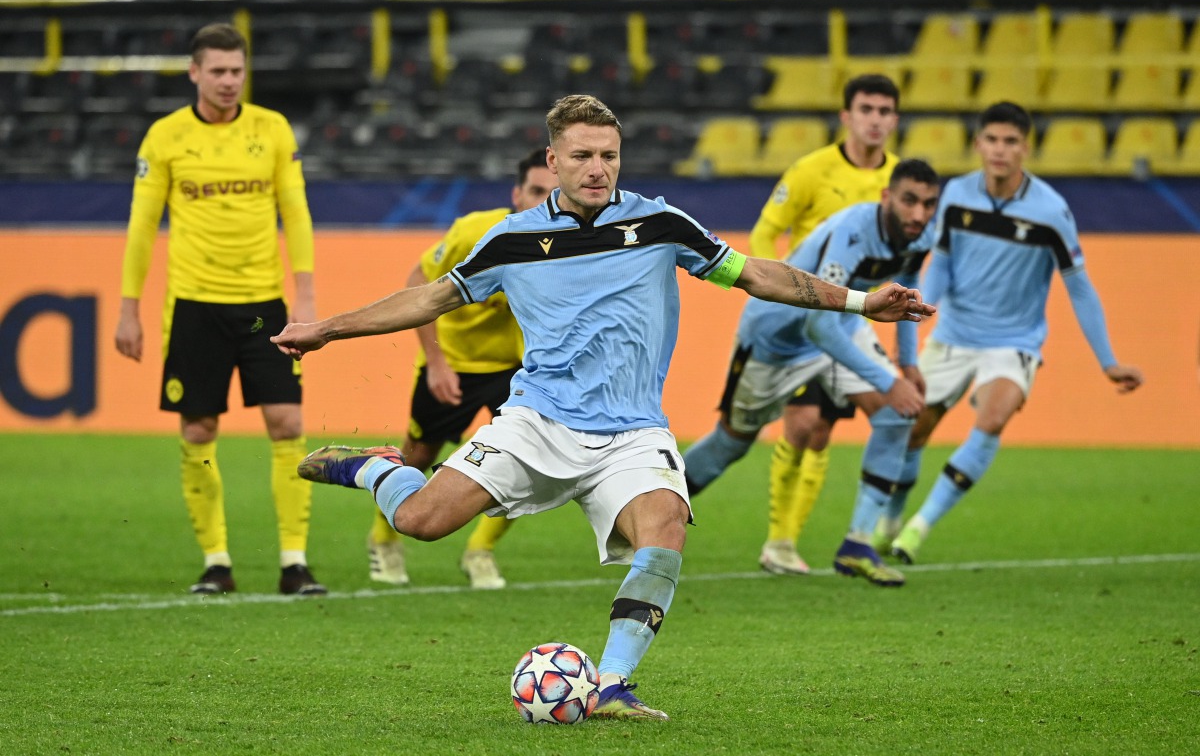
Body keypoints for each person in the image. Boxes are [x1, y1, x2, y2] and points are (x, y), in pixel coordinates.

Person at [271, 95, 933, 719]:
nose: (598, 169)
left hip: (631, 432)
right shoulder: (511, 240)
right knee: (419, 520)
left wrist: (859, 302)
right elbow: (428, 299)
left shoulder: (660, 224)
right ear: (552, 161)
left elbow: (756, 274)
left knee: (667, 525)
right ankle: (376, 469)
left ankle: (612, 685)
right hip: (536, 422)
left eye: (609, 155)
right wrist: (327, 327)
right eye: (583, 156)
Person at [874, 102, 1144, 564]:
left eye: (1011, 141)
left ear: (1026, 147)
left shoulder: (1051, 211)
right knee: (913, 429)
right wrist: (919, 310)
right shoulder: (956, 196)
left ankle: (918, 529)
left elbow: (1079, 287)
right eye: (993, 140)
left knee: (993, 418)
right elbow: (943, 262)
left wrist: (1108, 361)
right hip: (955, 336)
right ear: (978, 144)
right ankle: (891, 521)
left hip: (1013, 343)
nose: (1000, 150)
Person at [114, 23, 326, 596]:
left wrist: (304, 298)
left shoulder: (273, 129)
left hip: (264, 307)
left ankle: (293, 562)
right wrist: (128, 308)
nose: (230, 81)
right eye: (218, 71)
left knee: (287, 423)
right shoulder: (165, 137)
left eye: (237, 71)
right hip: (194, 306)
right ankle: (216, 562)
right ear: (195, 72)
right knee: (200, 426)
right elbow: (141, 227)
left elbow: (297, 213)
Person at [684, 159, 941, 587]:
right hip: (776, 339)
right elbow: (814, 322)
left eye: (928, 204)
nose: (919, 214)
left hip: (843, 326)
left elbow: (908, 292)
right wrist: (888, 380)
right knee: (732, 442)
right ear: (886, 198)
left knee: (898, 414)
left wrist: (908, 365)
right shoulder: (854, 231)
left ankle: (858, 545)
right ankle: (654, 507)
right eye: (909, 201)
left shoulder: (922, 235)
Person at [367, 149, 557, 589]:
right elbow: (418, 280)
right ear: (516, 193)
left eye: (553, 193)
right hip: (451, 362)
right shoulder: (474, 231)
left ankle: (480, 551)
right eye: (534, 191)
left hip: (514, 370)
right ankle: (383, 539)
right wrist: (436, 361)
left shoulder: (565, 246)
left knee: (525, 462)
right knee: (417, 455)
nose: (542, 201)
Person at [741, 74, 902, 576]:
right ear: (846, 116)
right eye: (866, 108)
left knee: (823, 431)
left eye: (884, 110)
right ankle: (779, 542)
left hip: (851, 321)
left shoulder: (900, 184)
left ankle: (825, 541)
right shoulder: (812, 170)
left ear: (894, 119)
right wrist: (775, 292)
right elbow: (767, 230)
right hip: (803, 316)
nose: (875, 119)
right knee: (803, 423)